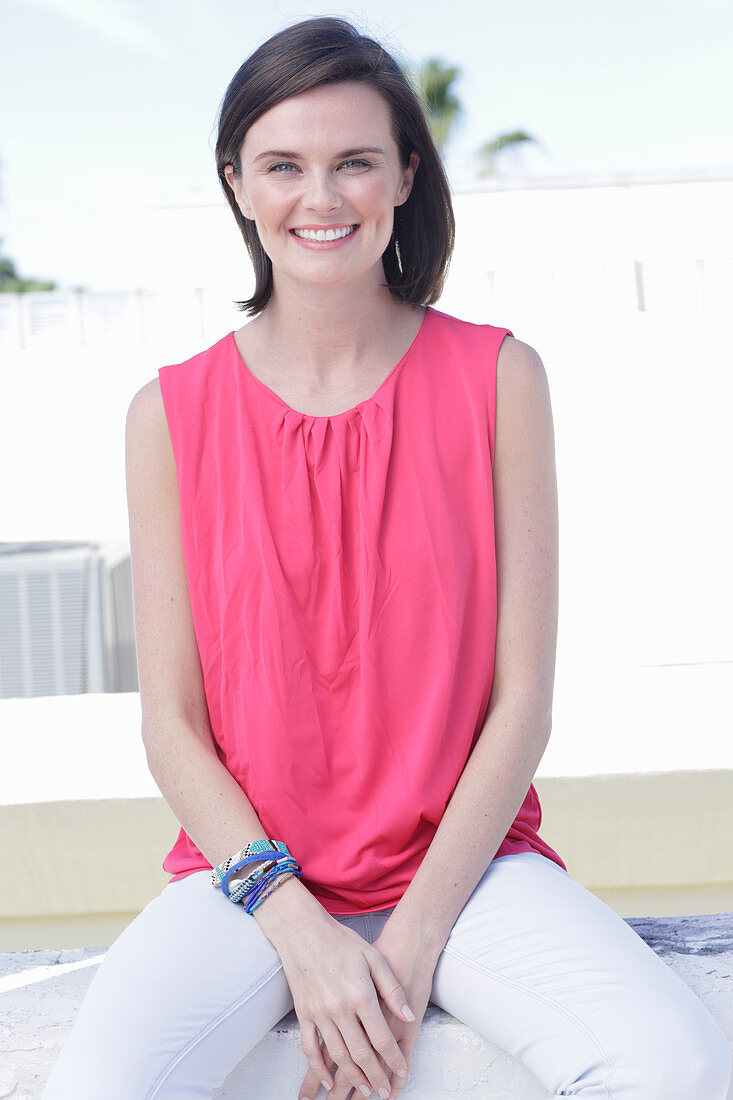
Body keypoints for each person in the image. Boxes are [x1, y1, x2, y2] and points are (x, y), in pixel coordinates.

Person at [42, 16, 731, 1100]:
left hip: (467, 874)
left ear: (405, 175)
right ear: (236, 185)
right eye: (284, 165)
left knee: (676, 1064)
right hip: (248, 881)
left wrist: (404, 950)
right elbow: (170, 725)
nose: (321, 197)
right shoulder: (166, 415)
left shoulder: (499, 380)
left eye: (354, 161)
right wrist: (298, 928)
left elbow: (521, 702)